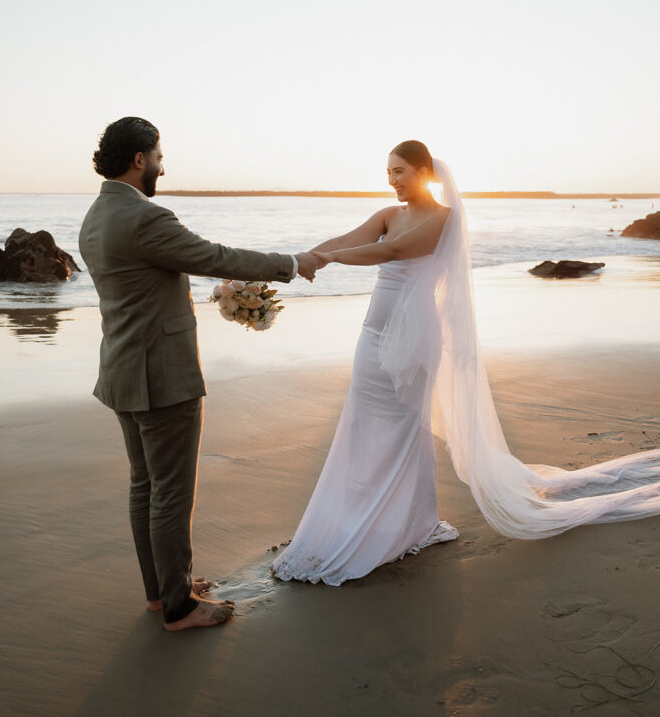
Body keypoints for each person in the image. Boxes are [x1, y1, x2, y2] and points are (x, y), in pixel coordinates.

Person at [272, 140, 660, 585]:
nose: (394, 181)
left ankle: (413, 524)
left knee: (405, 430)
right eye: (388, 174)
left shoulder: (444, 218)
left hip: (415, 340)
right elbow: (349, 240)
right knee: (361, 424)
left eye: (400, 171)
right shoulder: (387, 215)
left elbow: (392, 253)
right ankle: (373, 516)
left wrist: (326, 260)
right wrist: (298, 259)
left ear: (424, 171)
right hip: (372, 336)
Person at [79, 116, 321, 630]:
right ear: (140, 158)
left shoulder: (95, 216)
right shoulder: (145, 217)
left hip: (121, 372)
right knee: (169, 491)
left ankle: (162, 592)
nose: (163, 167)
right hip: (162, 378)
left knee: (144, 487)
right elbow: (213, 256)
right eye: (159, 157)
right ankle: (180, 608)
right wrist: (291, 263)